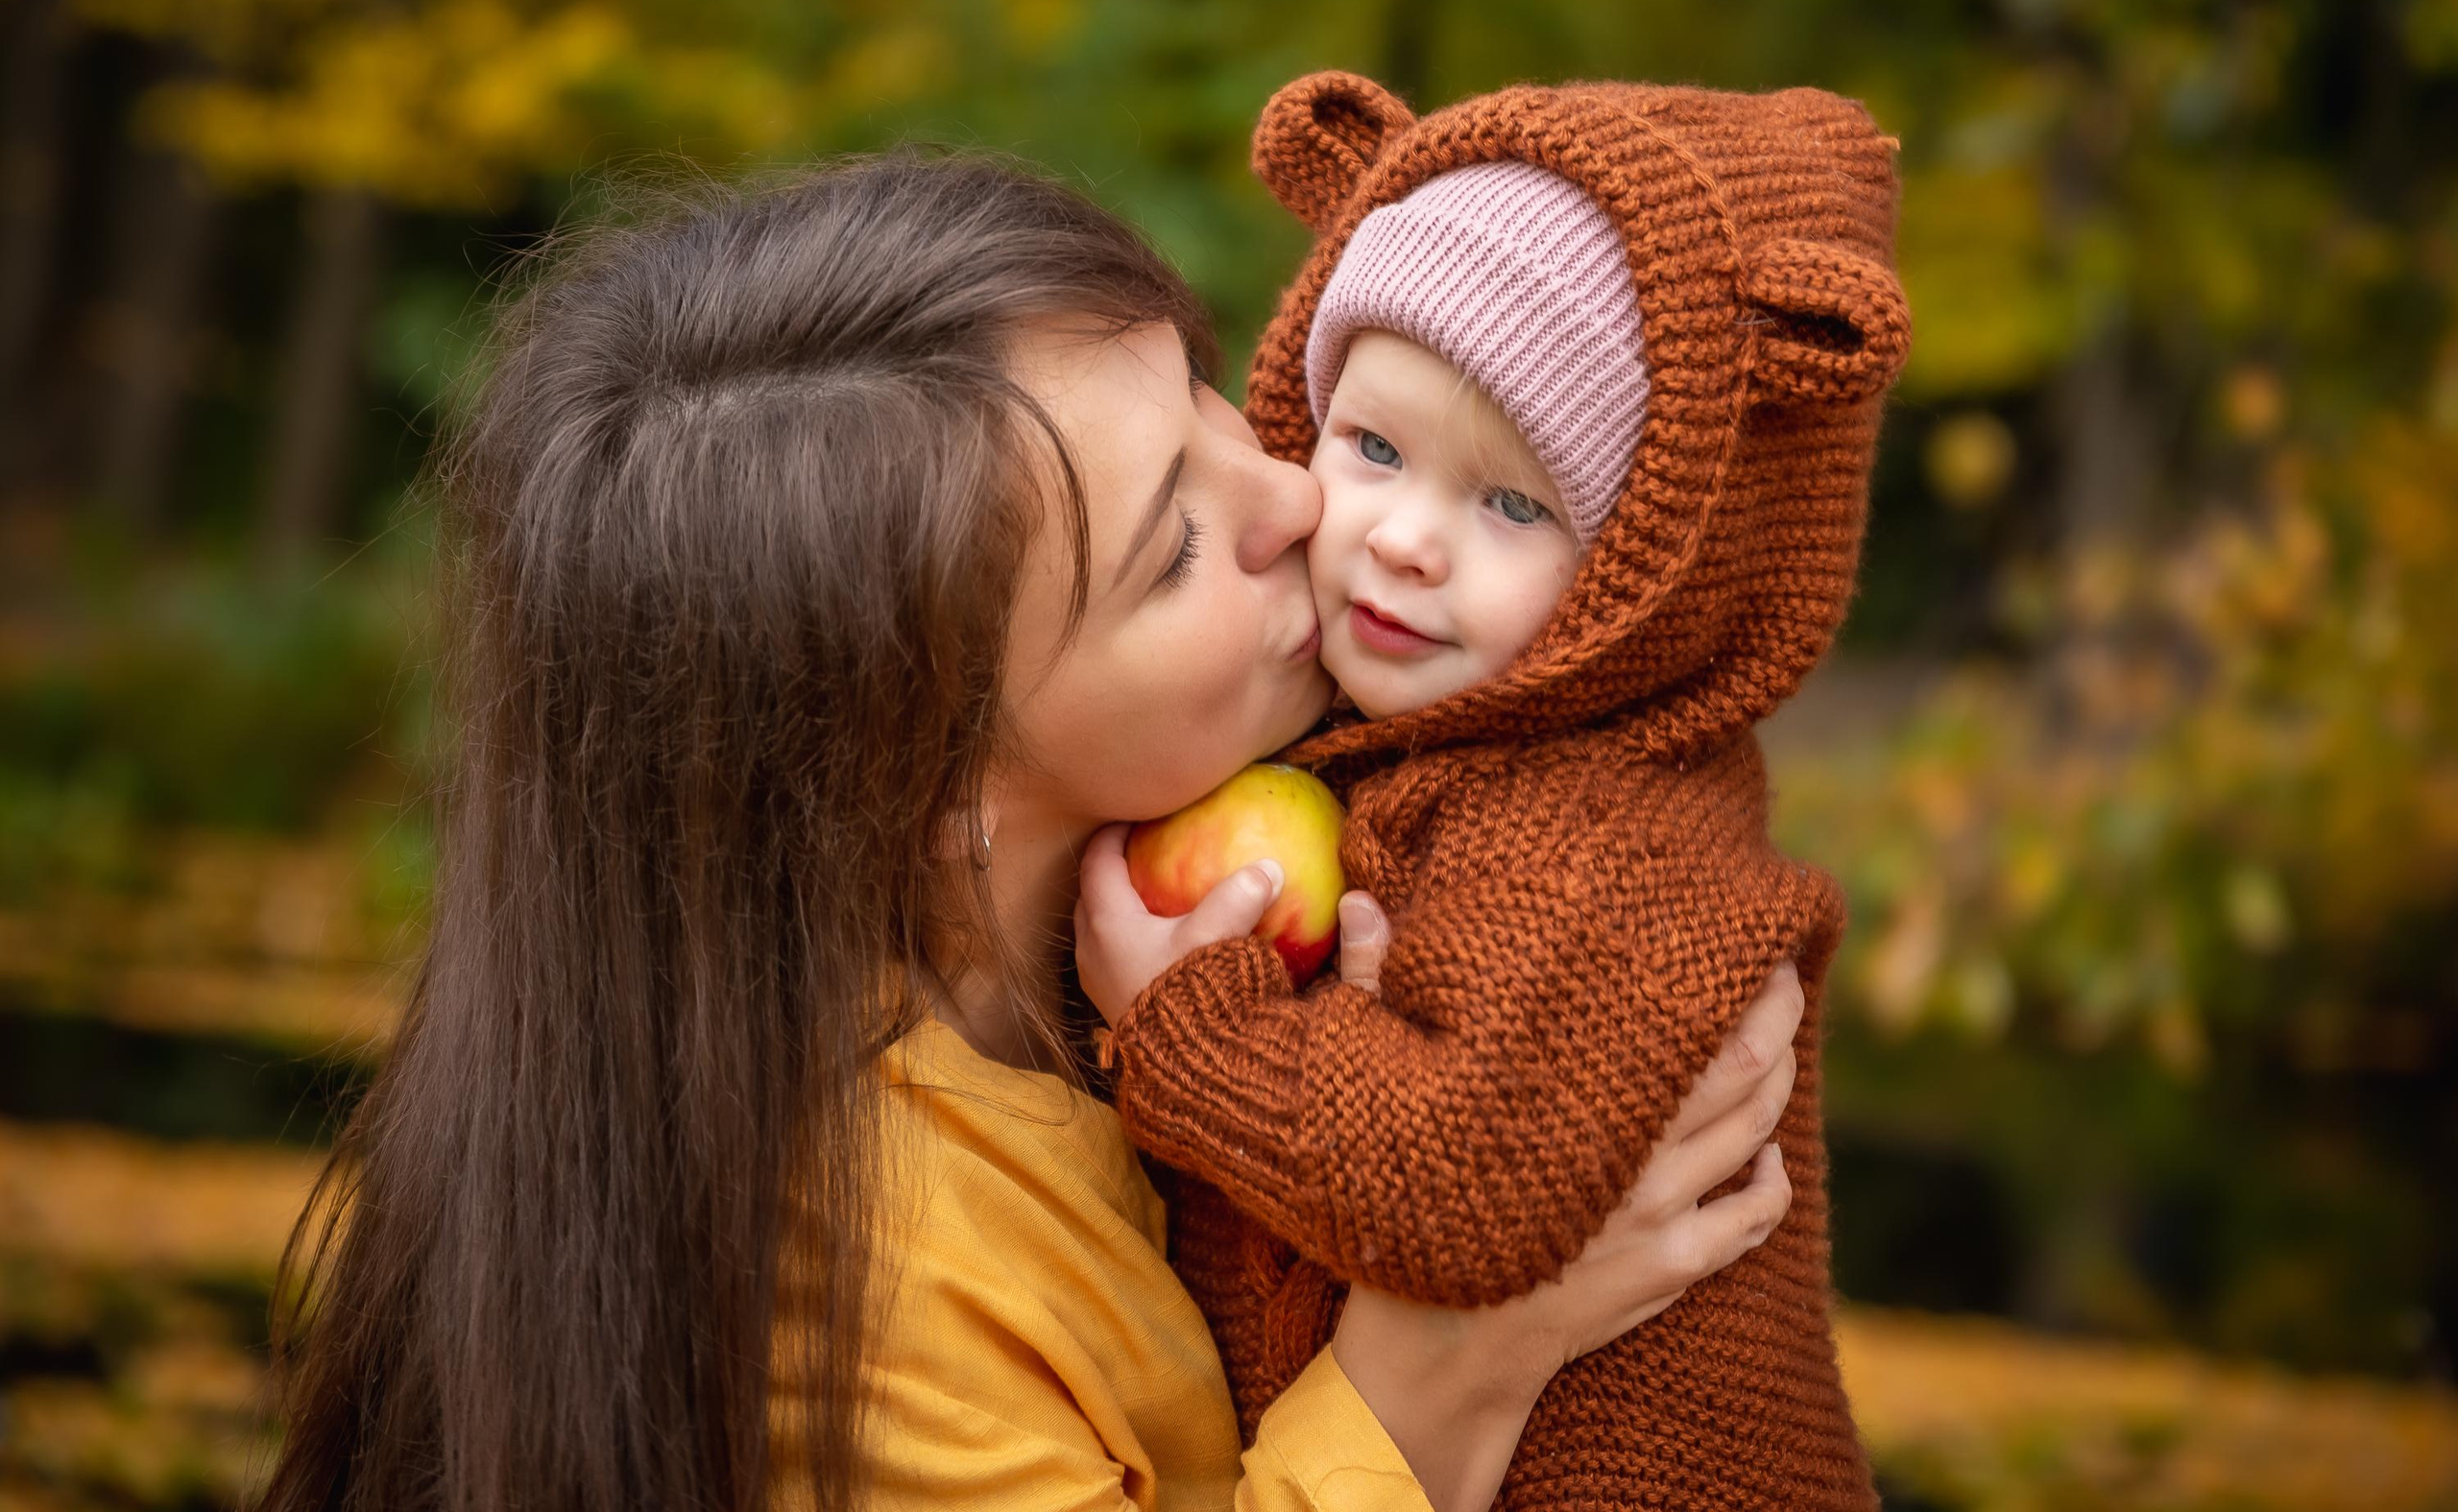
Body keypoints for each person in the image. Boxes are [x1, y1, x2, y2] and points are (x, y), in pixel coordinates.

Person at [253, 151, 1800, 1512]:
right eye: (1177, 545)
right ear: (916, 786)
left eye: (1210, 401)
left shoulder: (1229, 891)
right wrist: (1458, 1360)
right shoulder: (865, 1293)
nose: (1300, 496)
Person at [1075, 72, 1914, 1508]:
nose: (1403, 539)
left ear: (1656, 578)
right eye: (1375, 448)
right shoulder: (1407, 747)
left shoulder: (1601, 835)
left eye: (1516, 505)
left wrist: (1187, 1027)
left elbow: (1458, 1189)